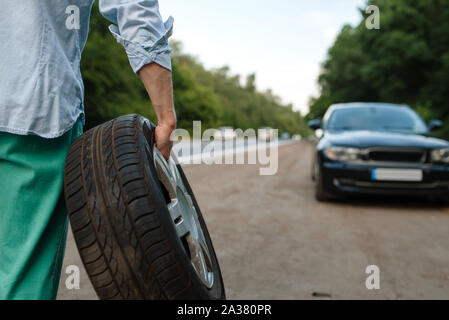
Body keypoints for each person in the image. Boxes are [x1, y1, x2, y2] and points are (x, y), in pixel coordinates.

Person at [0, 0, 176, 300]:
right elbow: (132, 7)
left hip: (27, 108)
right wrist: (165, 114)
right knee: (19, 279)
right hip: (30, 111)